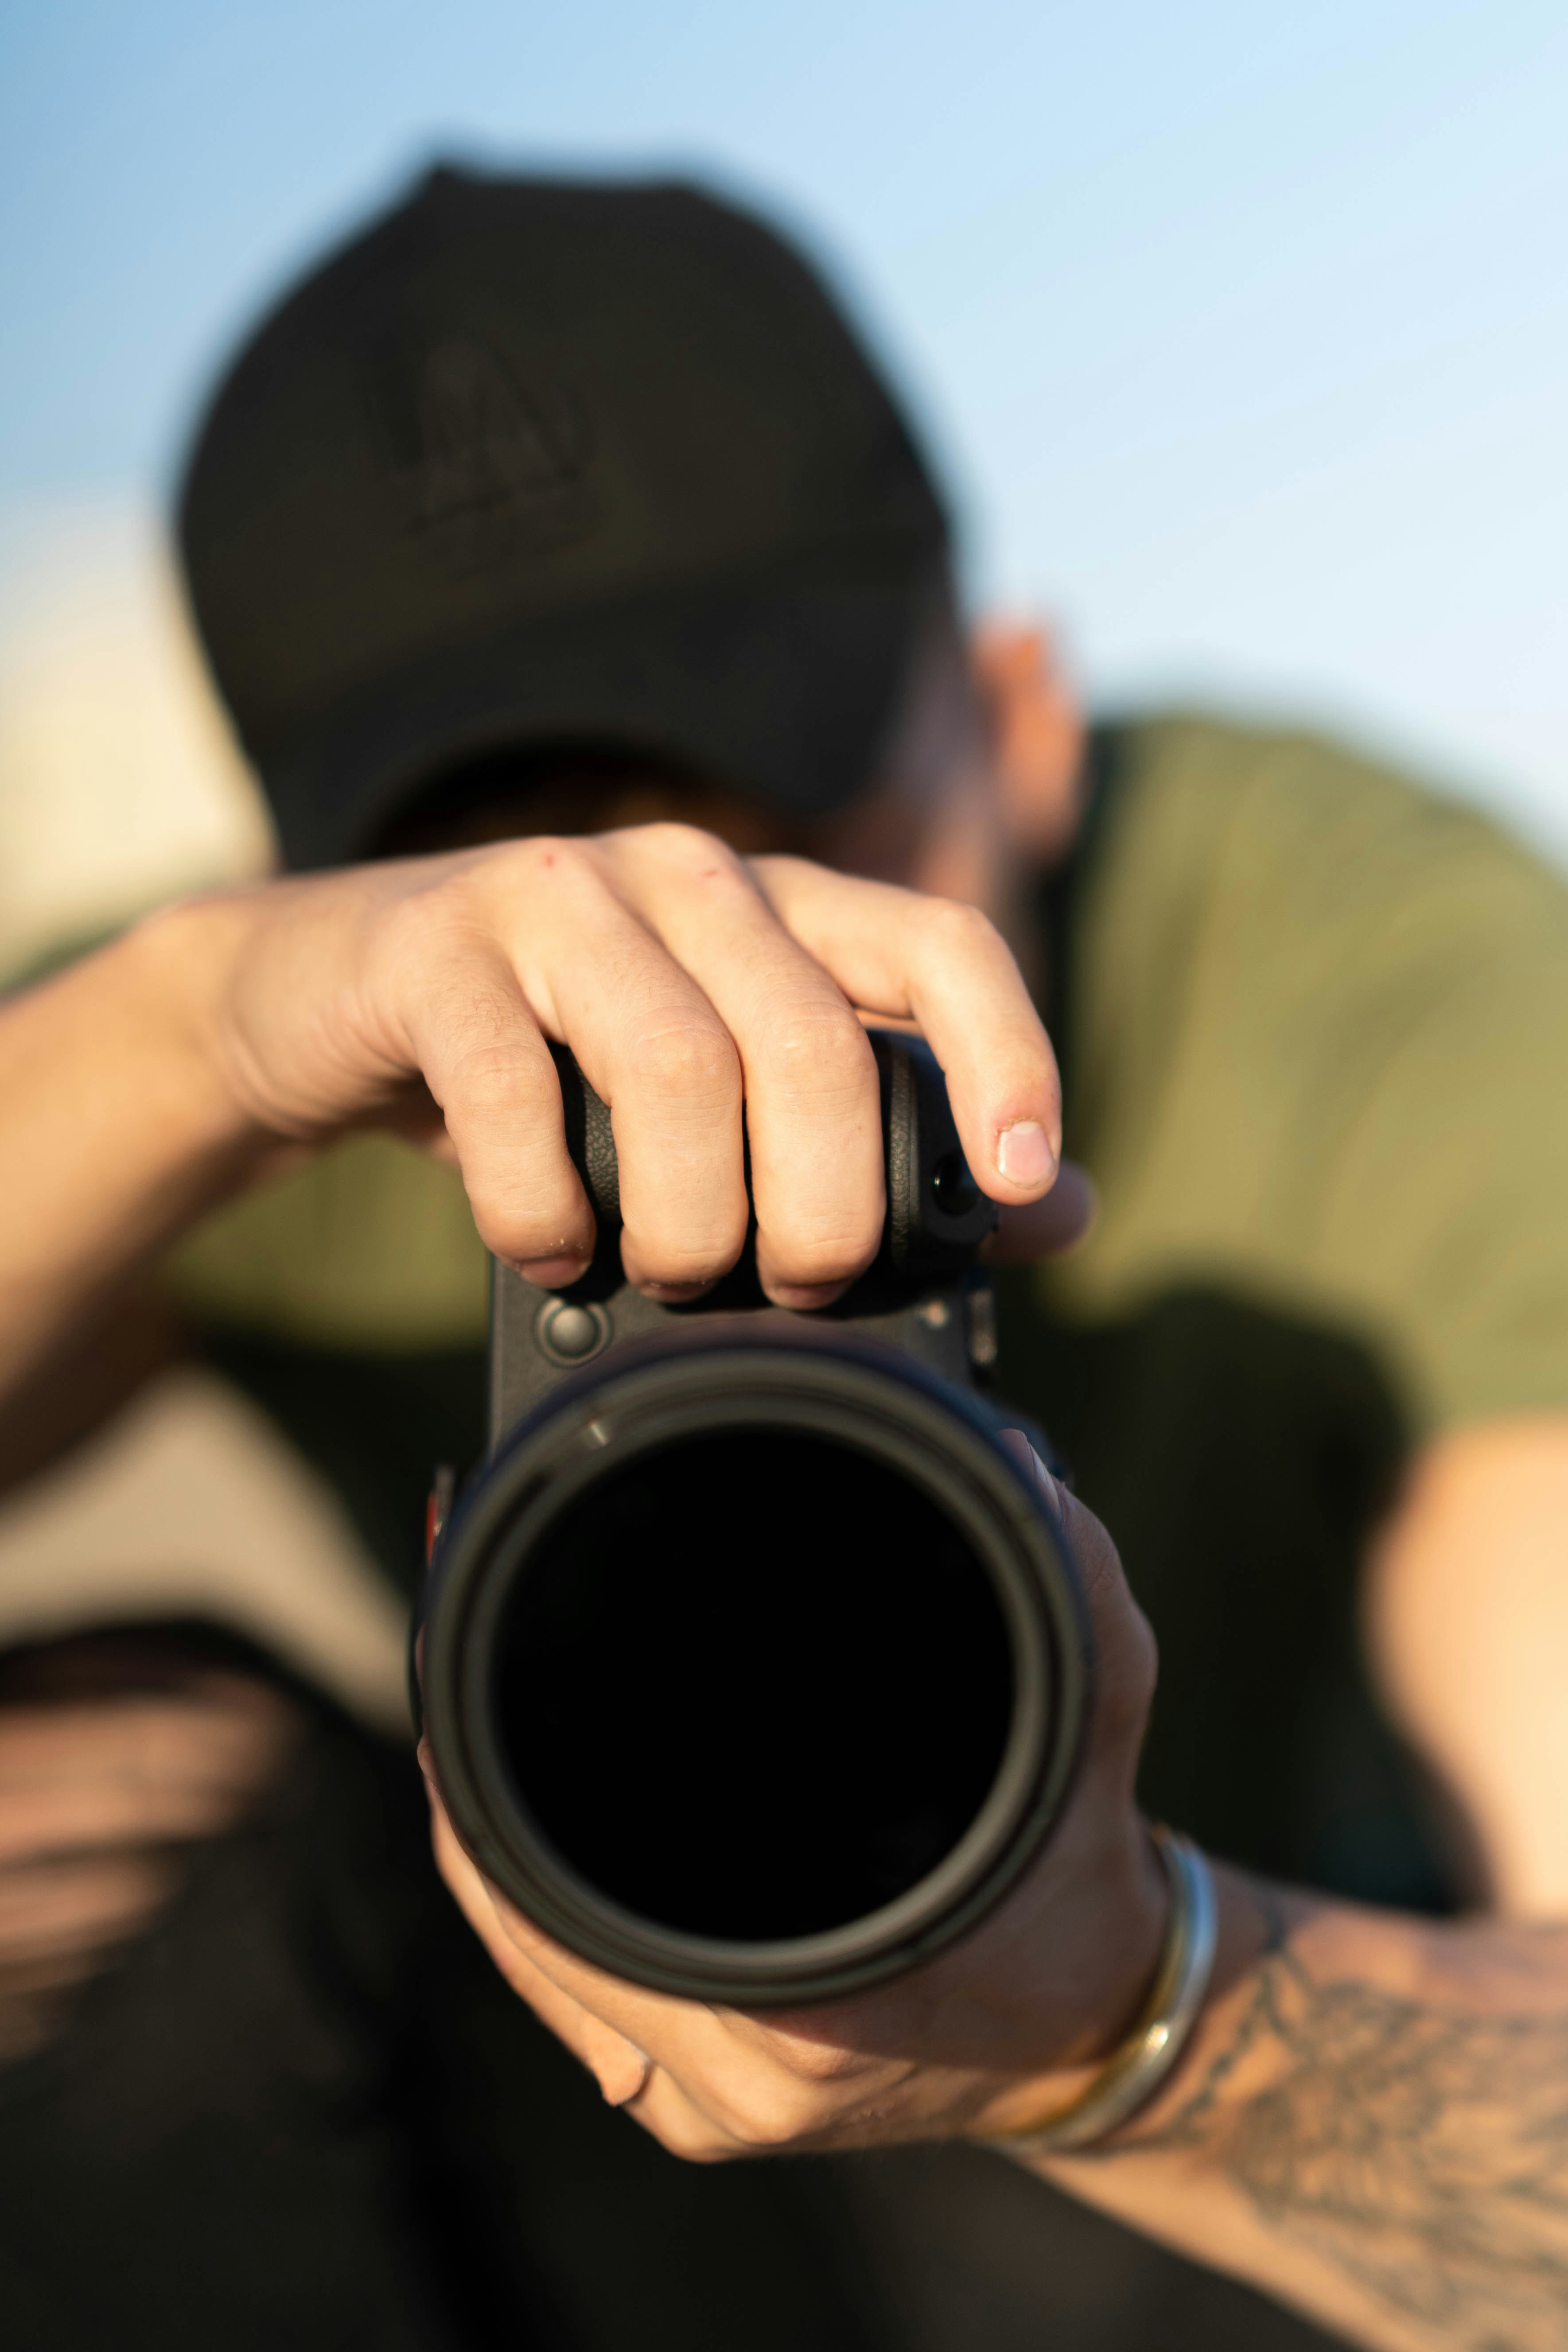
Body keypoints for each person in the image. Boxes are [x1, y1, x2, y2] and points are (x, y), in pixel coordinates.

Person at [4, 162, 1568, 2352]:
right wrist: (187, 1041)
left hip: (1235, 2122)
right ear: (316, 888)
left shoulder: (1369, 980)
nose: (691, 992)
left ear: (1023, 717)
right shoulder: (260, 1059)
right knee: (74, 1837)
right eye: (530, 890)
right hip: (615, 2135)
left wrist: (1138, 2015)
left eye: (780, 850)